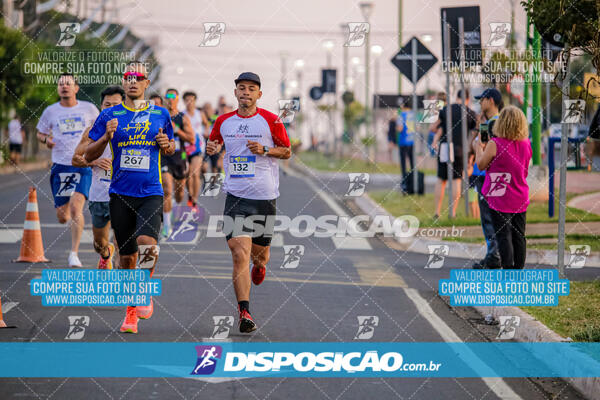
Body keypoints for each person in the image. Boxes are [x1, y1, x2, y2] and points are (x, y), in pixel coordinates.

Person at [85, 61, 175, 333]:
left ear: (147, 84)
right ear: (123, 83)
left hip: (150, 191)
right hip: (120, 193)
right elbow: (88, 154)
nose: (133, 81)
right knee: (126, 260)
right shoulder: (109, 115)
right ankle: (131, 313)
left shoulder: (160, 113)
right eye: (128, 77)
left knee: (148, 243)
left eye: (139, 78)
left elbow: (170, 148)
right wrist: (105, 138)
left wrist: (166, 145)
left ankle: (144, 291)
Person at [206, 72, 291, 333]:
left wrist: (265, 150)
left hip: (265, 197)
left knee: (259, 255)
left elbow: (287, 151)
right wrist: (211, 149)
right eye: (241, 88)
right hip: (235, 196)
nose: (246, 92)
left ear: (259, 95)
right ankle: (244, 311)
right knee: (238, 253)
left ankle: (261, 265)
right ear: (235, 93)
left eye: (251, 89)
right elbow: (213, 145)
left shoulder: (271, 120)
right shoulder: (223, 121)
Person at [36, 73, 99, 267]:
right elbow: (40, 133)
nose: (64, 87)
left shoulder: (89, 109)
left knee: (75, 208)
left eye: (68, 84)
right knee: (63, 216)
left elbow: (101, 130)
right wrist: (46, 140)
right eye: (61, 84)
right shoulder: (50, 111)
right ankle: (65, 219)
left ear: (76, 88)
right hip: (61, 166)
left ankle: (74, 253)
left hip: (82, 165)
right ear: (58, 88)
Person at [72, 86, 125, 269]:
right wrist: (92, 162)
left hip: (124, 195)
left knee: (122, 245)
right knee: (99, 244)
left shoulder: (134, 131)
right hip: (99, 196)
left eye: (116, 105)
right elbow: (75, 159)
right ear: (101, 106)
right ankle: (105, 255)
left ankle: (121, 285)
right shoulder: (92, 130)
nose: (110, 109)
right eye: (106, 105)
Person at [473, 106, 532, 269]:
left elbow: (481, 165)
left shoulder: (494, 144)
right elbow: (525, 170)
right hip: (520, 195)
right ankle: (518, 271)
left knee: (503, 236)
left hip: (499, 197)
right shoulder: (526, 144)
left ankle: (508, 272)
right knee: (519, 236)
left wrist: (479, 147)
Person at [432, 89, 477, 219]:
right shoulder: (470, 113)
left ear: (456, 97)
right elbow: (474, 134)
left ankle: (437, 212)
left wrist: (437, 138)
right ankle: (452, 213)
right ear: (467, 99)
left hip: (445, 147)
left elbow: (435, 128)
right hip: (460, 149)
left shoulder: (446, 110)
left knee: (441, 180)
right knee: (456, 181)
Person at [471, 88, 503, 269]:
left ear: (490, 101)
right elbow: (476, 146)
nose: (479, 103)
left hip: (487, 176)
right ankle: (494, 253)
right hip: (484, 175)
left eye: (481, 100)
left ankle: (494, 255)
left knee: (490, 217)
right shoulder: (489, 123)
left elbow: (479, 149)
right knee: (491, 216)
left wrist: (477, 143)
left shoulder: (494, 124)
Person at [161, 89, 195, 236]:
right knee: (167, 189)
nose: (170, 100)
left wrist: (177, 130)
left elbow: (192, 139)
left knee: (179, 192)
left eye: (172, 97)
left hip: (179, 158)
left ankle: (177, 205)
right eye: (167, 97)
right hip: (164, 157)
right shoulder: (160, 116)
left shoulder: (183, 118)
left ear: (177, 99)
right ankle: (167, 225)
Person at [183, 91, 210, 210]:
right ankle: (190, 196)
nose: (190, 102)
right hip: (185, 147)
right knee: (188, 174)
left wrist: (206, 131)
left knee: (195, 173)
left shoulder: (200, 114)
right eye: (187, 100)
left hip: (198, 146)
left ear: (195, 101)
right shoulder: (182, 115)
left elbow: (206, 123)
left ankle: (194, 200)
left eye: (192, 100)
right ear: (184, 101)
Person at [397, 100, 415, 178]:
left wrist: (396, 128)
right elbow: (417, 128)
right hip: (411, 141)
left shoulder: (401, 115)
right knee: (412, 162)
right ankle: (413, 179)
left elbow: (400, 129)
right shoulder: (413, 115)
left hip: (403, 142)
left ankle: (404, 180)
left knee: (403, 162)